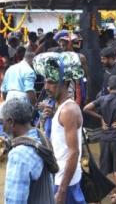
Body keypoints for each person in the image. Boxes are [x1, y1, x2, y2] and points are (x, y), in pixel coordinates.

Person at [1, 98, 56, 204]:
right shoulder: (41, 138)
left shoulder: (19, 154)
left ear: (11, 122)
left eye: (1, 122)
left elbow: (15, 200)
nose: (2, 129)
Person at [83, 76, 116, 193]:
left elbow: (86, 108)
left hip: (104, 139)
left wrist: (101, 118)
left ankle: (102, 193)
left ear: (109, 88)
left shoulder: (102, 99)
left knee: (104, 169)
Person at [47, 68, 85, 204]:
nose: (47, 87)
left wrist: (62, 190)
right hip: (62, 175)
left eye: (51, 82)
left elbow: (74, 152)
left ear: (65, 83)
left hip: (65, 179)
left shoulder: (68, 110)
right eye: (46, 82)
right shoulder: (61, 107)